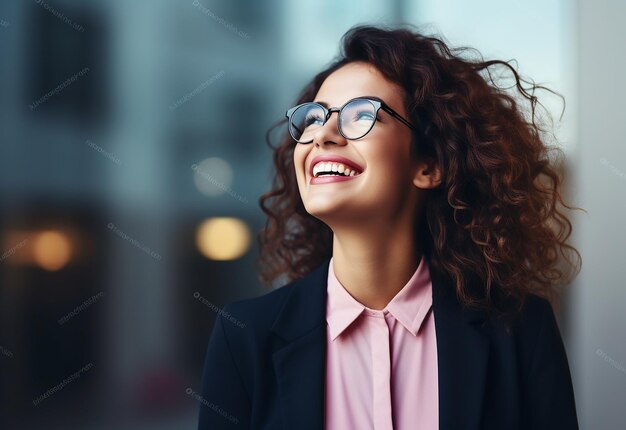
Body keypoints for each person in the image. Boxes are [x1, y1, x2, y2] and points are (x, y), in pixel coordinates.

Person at [197, 24, 582, 430]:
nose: (323, 135)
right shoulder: (244, 336)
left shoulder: (519, 331)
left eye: (361, 114)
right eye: (313, 118)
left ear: (429, 165)